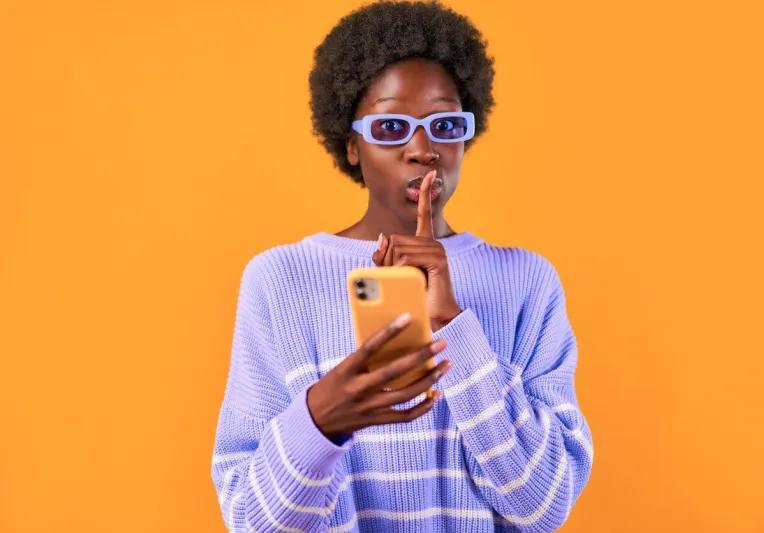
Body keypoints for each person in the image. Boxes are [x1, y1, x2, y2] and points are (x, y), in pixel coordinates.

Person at [211, 1, 593, 531]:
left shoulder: (527, 282)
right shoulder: (280, 281)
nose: (423, 148)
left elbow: (543, 505)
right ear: (351, 145)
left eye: (444, 124)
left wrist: (456, 328)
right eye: (391, 126)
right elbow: (253, 521)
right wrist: (319, 421)